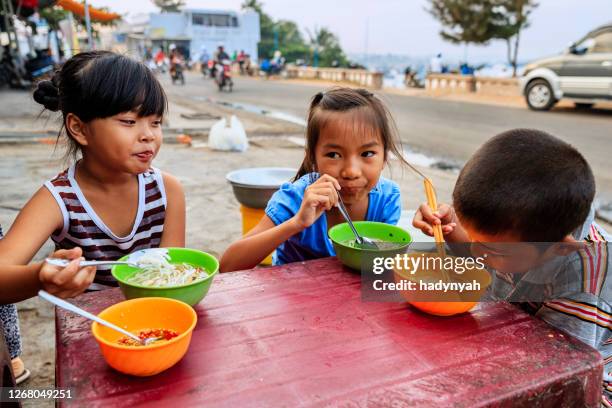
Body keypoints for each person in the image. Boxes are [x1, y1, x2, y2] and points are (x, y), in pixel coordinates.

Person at [412, 128, 611, 405]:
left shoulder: (583, 288)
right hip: (517, 336)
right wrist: (449, 229)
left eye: (489, 248)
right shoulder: (525, 231)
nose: (475, 250)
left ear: (560, 248)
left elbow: (563, 374)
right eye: (473, 236)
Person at [0, 50, 186, 291]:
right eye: (129, 121)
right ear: (79, 128)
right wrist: (41, 276)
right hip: (88, 327)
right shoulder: (59, 199)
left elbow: (171, 274)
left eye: (156, 122)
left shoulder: (167, 190)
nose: (148, 135)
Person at [220, 88, 406, 271]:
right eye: (334, 154)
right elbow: (229, 265)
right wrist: (296, 223)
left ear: (384, 158)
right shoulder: (295, 198)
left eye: (367, 153)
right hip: (293, 296)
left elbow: (378, 267)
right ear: (312, 159)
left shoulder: (387, 199)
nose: (351, 171)